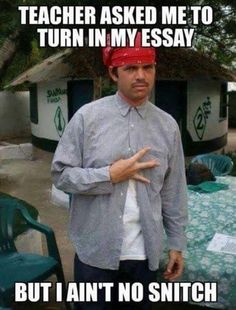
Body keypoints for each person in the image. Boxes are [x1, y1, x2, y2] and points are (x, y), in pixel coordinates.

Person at [51, 32, 188, 309]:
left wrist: (176, 243)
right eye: (131, 68)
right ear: (114, 74)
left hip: (144, 255)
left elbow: (174, 192)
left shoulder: (168, 126)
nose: (141, 75)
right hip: (95, 251)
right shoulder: (87, 119)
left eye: (147, 67)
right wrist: (109, 175)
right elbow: (61, 175)